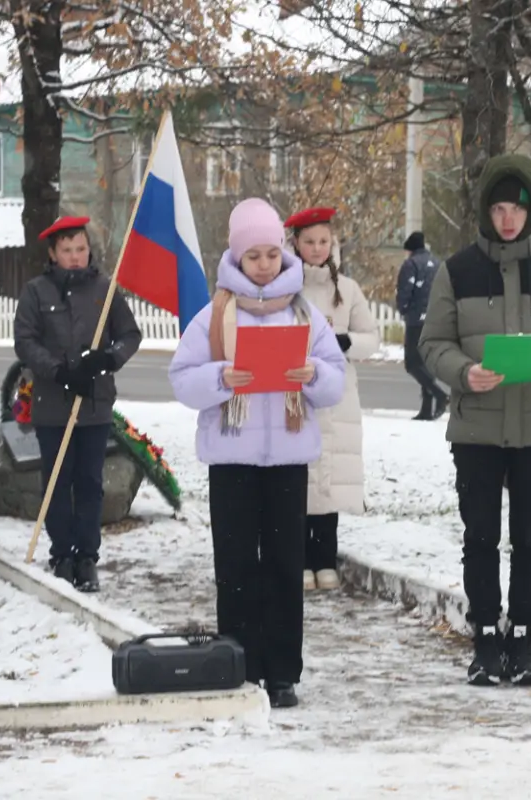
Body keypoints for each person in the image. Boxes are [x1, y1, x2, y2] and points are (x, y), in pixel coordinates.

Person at [418, 153, 531, 687]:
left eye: (516, 208)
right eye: (497, 208)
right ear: (485, 211)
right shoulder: (458, 270)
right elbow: (432, 343)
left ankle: (522, 635)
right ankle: (485, 639)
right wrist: (463, 373)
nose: (507, 219)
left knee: (530, 537)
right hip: (477, 429)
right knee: (480, 536)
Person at [168, 198, 346, 709]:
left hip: (288, 461)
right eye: (254, 256)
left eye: (272, 254)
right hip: (232, 461)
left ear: (283, 254)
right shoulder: (214, 315)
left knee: (286, 567)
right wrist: (220, 378)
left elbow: (334, 380)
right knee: (238, 567)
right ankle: (239, 665)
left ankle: (283, 673)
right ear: (237, 258)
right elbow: (182, 380)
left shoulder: (304, 314)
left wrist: (314, 376)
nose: (265, 264)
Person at [12, 215, 141, 592]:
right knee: (57, 480)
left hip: (95, 405)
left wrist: (107, 359)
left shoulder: (105, 289)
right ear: (53, 253)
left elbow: (130, 334)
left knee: (89, 482)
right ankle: (61, 554)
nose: (74, 256)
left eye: (80, 249)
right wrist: (59, 371)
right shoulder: (37, 292)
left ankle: (87, 556)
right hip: (54, 404)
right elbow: (25, 340)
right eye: (66, 250)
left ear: (89, 250)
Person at [285, 206, 381, 592]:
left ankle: (326, 557)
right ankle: (299, 559)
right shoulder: (284, 288)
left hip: (338, 396)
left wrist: (344, 342)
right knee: (300, 478)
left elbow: (371, 337)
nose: (316, 248)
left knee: (331, 481)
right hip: (297, 391)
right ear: (295, 243)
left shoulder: (349, 290)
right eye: (309, 241)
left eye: (323, 241)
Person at [397, 230, 448, 420]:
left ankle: (440, 395)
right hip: (435, 319)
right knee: (425, 363)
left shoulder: (411, 264)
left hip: (416, 319)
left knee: (412, 363)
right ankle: (427, 409)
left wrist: (403, 309)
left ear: (410, 249)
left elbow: (405, 291)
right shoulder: (437, 263)